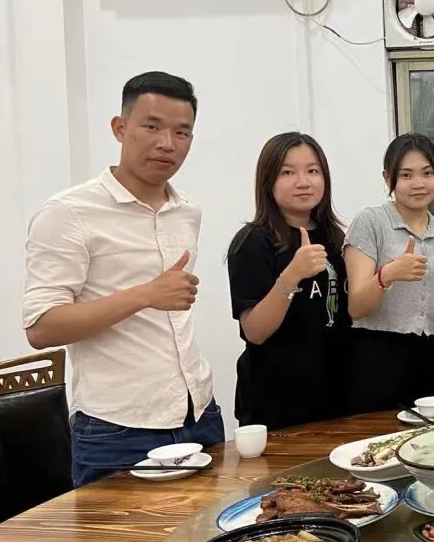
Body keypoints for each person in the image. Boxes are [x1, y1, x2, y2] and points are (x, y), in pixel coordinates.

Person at [22, 71, 222, 487]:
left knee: (214, 529)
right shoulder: (68, 213)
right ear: (119, 128)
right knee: (114, 534)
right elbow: (41, 328)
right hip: (117, 428)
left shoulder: (187, 211)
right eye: (152, 126)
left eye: (182, 132)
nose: (167, 143)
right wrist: (145, 295)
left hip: (199, 413)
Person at [226, 132, 350, 430]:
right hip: (276, 404)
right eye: (288, 172)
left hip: (338, 398)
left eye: (313, 171)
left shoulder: (337, 238)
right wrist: (293, 274)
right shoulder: (253, 241)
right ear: (268, 180)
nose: (303, 182)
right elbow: (255, 331)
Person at [343, 133, 434, 411]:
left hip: (433, 353)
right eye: (406, 175)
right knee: (380, 437)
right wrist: (388, 274)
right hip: (379, 354)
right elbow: (356, 307)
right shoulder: (370, 222)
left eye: (427, 173)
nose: (418, 183)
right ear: (388, 178)